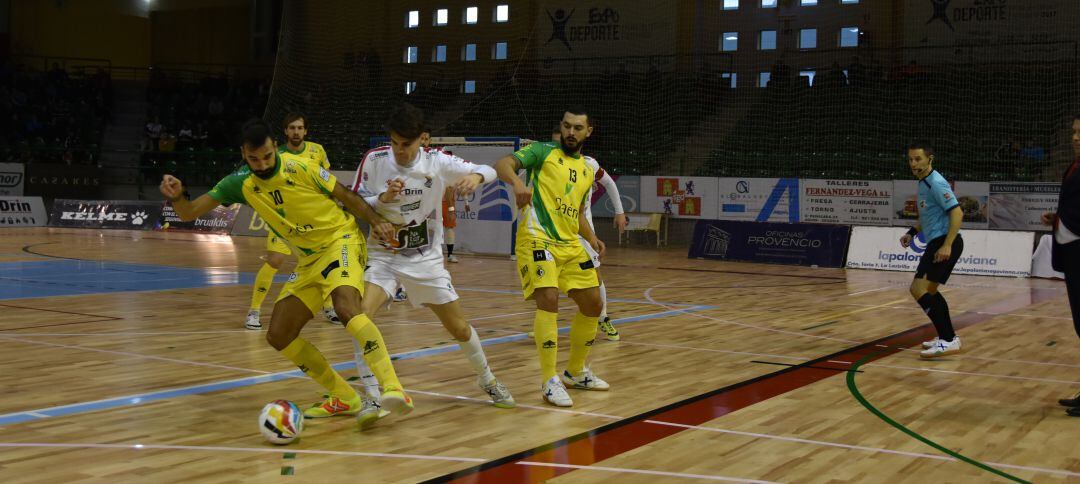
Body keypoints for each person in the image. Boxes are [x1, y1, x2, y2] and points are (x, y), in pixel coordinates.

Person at [159, 118, 413, 428]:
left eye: (267, 155)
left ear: (273, 147)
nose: (262, 164)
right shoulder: (239, 183)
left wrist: (374, 221)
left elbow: (346, 195)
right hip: (307, 261)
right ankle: (345, 397)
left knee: (347, 307)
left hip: (339, 241)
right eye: (254, 159)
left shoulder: (300, 166)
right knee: (278, 334)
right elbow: (187, 212)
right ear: (244, 154)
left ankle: (394, 388)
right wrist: (177, 194)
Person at [351, 104, 515, 411]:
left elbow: (491, 170)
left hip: (424, 259)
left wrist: (476, 178)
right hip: (383, 255)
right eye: (396, 143)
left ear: (423, 139)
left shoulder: (437, 161)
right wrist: (382, 199)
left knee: (460, 328)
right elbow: (355, 200)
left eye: (407, 144)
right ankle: (373, 395)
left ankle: (488, 379)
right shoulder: (374, 160)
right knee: (360, 316)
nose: (400, 151)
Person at [494, 108, 608, 407]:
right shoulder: (542, 152)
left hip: (570, 244)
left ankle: (576, 371)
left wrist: (592, 237)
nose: (572, 132)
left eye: (578, 128)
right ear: (561, 127)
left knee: (593, 303)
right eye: (567, 126)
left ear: (588, 132)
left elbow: (579, 211)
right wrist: (518, 183)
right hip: (536, 237)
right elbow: (503, 163)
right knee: (549, 298)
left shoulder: (585, 169)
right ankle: (549, 380)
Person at [245, 113, 338, 330]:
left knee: (324, 261)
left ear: (305, 131)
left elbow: (327, 180)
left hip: (313, 219)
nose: (296, 132)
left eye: (300, 128)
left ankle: (329, 306)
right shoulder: (275, 154)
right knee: (275, 260)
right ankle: (254, 311)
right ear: (285, 131)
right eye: (292, 128)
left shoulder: (317, 151)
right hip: (283, 219)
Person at [550, 124, 627, 340]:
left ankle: (603, 318)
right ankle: (547, 325)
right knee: (548, 280)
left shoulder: (589, 164)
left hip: (582, 233)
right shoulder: (547, 166)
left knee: (595, 277)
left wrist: (619, 212)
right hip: (552, 233)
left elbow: (609, 183)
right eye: (555, 142)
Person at [899, 142, 965, 359]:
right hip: (936, 241)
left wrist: (947, 245)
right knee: (930, 291)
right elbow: (928, 216)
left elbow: (957, 213)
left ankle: (947, 339)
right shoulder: (923, 183)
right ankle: (948, 338)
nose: (913, 164)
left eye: (918, 159)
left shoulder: (936, 183)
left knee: (919, 289)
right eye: (910, 159)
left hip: (944, 243)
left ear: (930, 159)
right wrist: (912, 232)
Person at [1040, 114, 1080, 417]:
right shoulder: (1074, 165)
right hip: (1071, 254)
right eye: (1075, 132)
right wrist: (1057, 220)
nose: (1076, 138)